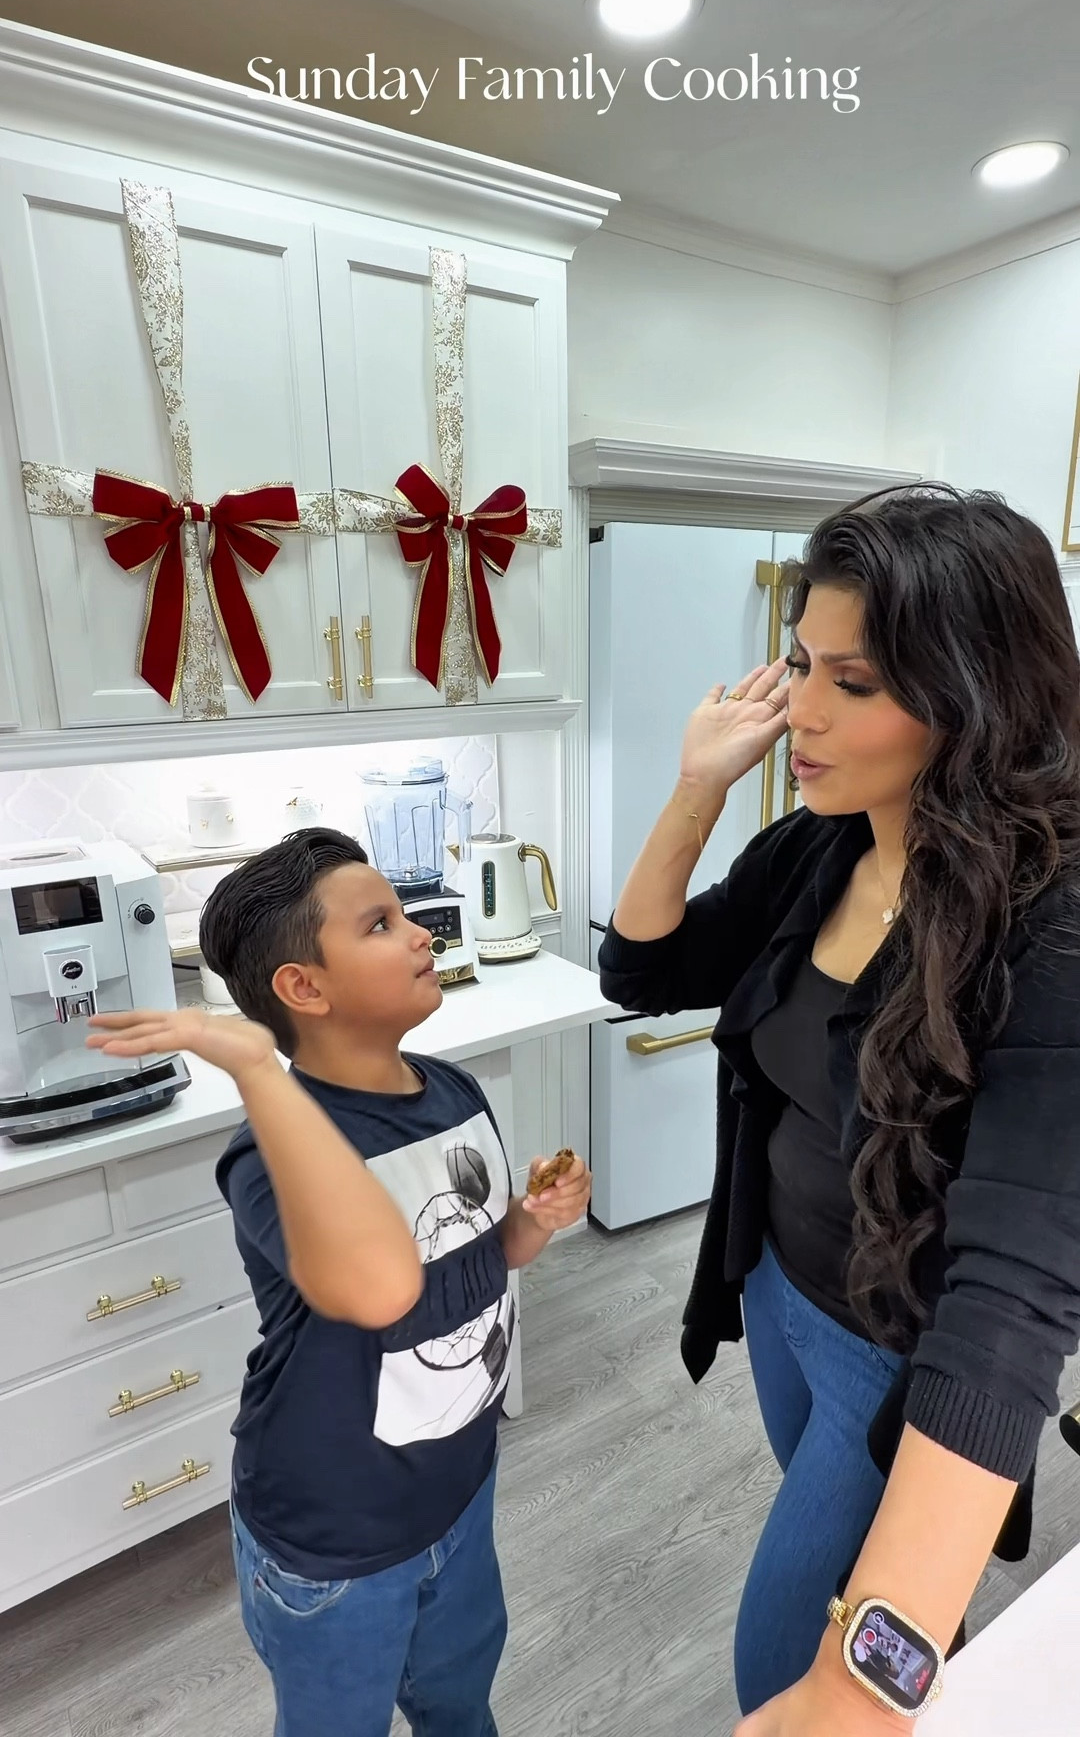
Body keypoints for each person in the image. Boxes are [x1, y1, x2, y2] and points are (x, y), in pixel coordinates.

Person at [598, 483, 1080, 1733]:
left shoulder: (1052, 924)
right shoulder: (828, 843)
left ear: (973, 698)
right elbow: (644, 972)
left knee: (793, 1675)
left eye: (853, 685)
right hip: (777, 1291)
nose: (800, 712)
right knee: (887, 1611)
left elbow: (1014, 1294)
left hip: (895, 1354)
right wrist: (698, 782)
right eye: (800, 664)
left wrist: (863, 1691)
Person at [87, 828, 591, 1737]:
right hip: (335, 1541)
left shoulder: (452, 1091)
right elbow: (381, 1293)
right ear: (303, 989)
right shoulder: (271, 1160)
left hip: (458, 1489)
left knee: (460, 1703)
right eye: (381, 924)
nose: (419, 935)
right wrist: (249, 1064)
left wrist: (532, 1224)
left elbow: (477, 1262)